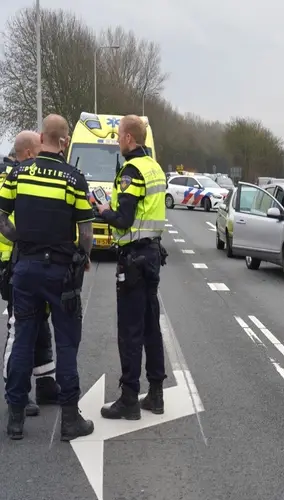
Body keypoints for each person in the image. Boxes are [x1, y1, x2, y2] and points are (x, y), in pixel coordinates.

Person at [0, 114, 95, 441]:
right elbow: (86, 231)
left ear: (42, 137)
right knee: (67, 341)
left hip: (25, 269)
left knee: (24, 337)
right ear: (65, 140)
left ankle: (15, 419)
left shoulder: (18, 173)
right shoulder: (74, 179)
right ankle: (70, 420)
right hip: (60, 272)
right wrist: (82, 257)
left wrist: (20, 241)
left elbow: (1, 218)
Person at [96, 115, 167, 420]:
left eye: (118, 136)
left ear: (128, 138)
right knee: (152, 326)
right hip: (152, 255)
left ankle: (128, 400)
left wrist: (103, 211)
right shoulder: (155, 168)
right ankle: (156, 394)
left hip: (133, 258)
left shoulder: (131, 171)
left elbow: (124, 219)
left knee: (129, 330)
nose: (116, 141)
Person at [0, 131, 59, 418]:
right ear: (27, 154)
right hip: (11, 262)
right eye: (39, 151)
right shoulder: (12, 179)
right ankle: (17, 392)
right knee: (18, 327)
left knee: (40, 322)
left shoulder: (26, 175)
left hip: (25, 261)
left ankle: (46, 383)